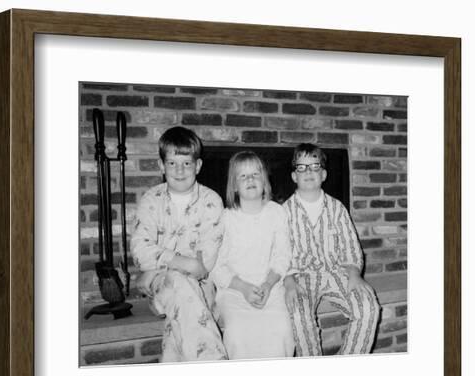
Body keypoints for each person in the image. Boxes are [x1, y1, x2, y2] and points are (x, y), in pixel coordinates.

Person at [130, 126, 228, 363]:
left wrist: (153, 268)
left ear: (198, 166)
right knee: (178, 282)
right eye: (172, 163)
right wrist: (180, 261)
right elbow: (139, 250)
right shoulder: (151, 199)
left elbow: (204, 266)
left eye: (186, 163)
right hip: (161, 285)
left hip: (200, 287)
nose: (180, 170)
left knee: (179, 322)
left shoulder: (211, 201)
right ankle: (213, 362)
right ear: (161, 166)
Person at [282, 143, 381, 356]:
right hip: (301, 276)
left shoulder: (337, 208)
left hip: (337, 271)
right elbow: (278, 252)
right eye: (302, 167)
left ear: (323, 174)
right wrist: (288, 281)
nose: (308, 172)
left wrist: (354, 274)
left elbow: (350, 245)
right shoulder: (284, 212)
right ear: (293, 176)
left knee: (368, 307)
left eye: (315, 166)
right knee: (298, 315)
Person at [210, 151, 294, 359]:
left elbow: (282, 256)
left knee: (282, 329)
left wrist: (268, 284)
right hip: (235, 290)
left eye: (255, 174)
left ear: (264, 181)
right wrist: (244, 288)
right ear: (234, 186)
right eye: (243, 176)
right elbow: (217, 266)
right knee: (238, 333)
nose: (250, 179)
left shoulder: (277, 212)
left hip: (271, 287)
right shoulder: (226, 218)